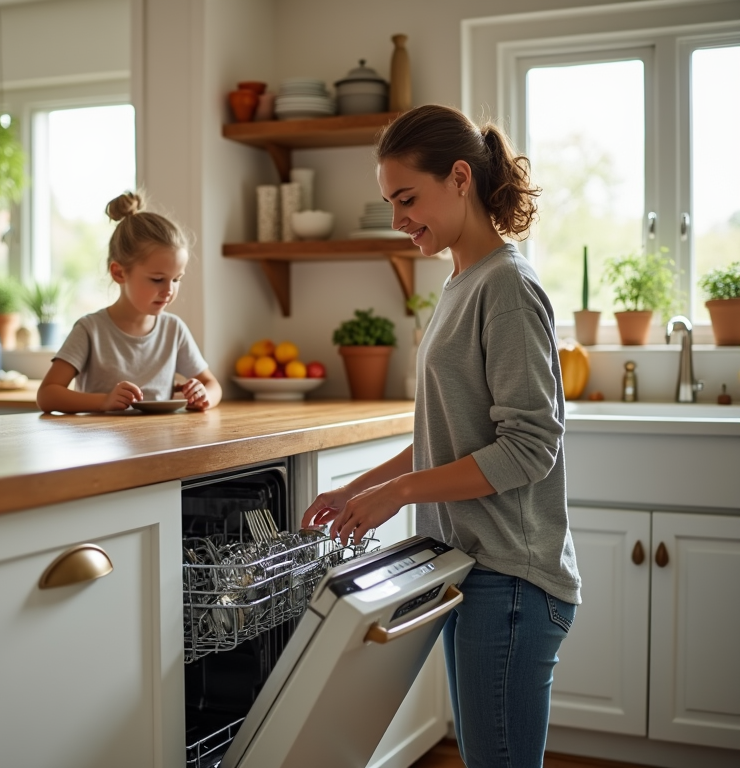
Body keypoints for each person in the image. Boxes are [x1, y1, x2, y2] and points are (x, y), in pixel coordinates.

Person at [301, 105, 581, 768]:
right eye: (389, 202)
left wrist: (398, 492)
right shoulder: (461, 283)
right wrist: (360, 489)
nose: (398, 220)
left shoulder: (506, 287)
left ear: (460, 178)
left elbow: (529, 447)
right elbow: (449, 439)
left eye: (407, 199)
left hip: (511, 578)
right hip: (476, 568)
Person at [37, 192, 222, 414]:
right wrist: (104, 401)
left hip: (161, 446)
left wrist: (204, 397)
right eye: (157, 279)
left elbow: (213, 386)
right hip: (100, 446)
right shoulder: (90, 329)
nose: (169, 290)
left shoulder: (174, 329)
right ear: (119, 273)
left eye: (176, 279)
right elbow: (47, 395)